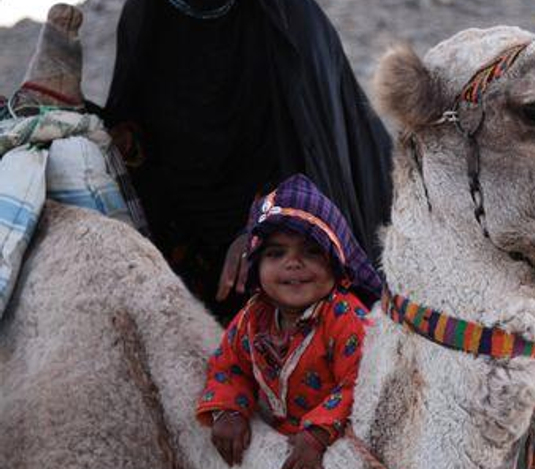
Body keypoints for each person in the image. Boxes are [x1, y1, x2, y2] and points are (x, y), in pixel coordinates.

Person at [104, 0, 392, 320]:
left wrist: (258, 228)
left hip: (276, 232)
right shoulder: (148, 14)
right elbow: (130, 123)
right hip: (181, 231)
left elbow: (310, 151)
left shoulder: (286, 19)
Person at [195, 174, 381, 469]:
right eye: (275, 253)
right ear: (256, 267)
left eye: (311, 252)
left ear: (336, 264)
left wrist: (317, 435)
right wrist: (229, 409)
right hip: (282, 449)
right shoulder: (253, 318)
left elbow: (360, 384)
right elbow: (230, 365)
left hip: (338, 452)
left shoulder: (346, 318)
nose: (293, 263)